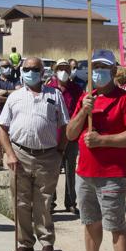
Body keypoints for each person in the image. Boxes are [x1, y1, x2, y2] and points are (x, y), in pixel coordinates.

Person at [66, 49, 126, 251]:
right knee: (90, 221)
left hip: (110, 174)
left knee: (116, 225)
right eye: (95, 67)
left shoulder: (125, 99)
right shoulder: (86, 96)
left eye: (103, 67)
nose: (98, 72)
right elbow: (71, 134)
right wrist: (83, 111)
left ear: (113, 70)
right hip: (84, 173)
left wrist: (103, 140)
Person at [0, 57, 69, 251]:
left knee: (44, 201)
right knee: (20, 201)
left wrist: (61, 150)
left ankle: (46, 242)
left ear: (42, 71)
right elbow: (2, 128)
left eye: (35, 69)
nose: (30, 72)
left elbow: (65, 124)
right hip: (20, 155)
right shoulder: (15, 97)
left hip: (48, 155)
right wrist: (10, 154)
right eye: (27, 69)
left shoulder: (54, 94)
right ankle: (25, 243)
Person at [48, 59, 83, 215]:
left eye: (66, 69)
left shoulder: (76, 89)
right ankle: (50, 202)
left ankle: (71, 202)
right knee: (52, 170)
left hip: (71, 135)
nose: (63, 71)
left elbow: (80, 109)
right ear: (55, 71)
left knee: (70, 170)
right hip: (53, 136)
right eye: (60, 68)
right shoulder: (48, 88)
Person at [0, 59, 21, 170]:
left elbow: (19, 92)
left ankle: (13, 159)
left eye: (8, 65)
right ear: (0, 68)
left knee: (13, 137)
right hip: (0, 112)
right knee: (0, 138)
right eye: (4, 66)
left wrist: (5, 92)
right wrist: (10, 96)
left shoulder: (15, 80)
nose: (6, 68)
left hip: (14, 113)